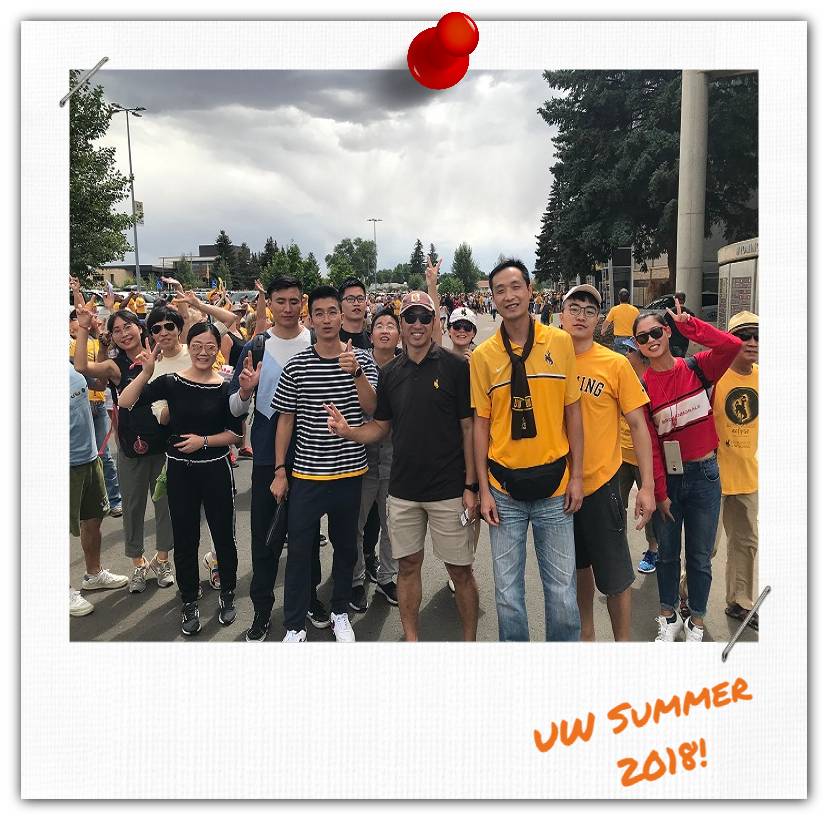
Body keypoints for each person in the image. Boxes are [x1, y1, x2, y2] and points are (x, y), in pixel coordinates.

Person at [327, 290, 480, 641]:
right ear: (400, 324)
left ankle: (470, 643)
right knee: (408, 567)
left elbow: (468, 428)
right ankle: (412, 639)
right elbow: (382, 426)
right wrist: (349, 431)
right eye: (409, 317)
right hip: (404, 490)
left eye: (424, 317)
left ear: (434, 322)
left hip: (448, 489)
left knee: (460, 571)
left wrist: (471, 486)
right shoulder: (391, 373)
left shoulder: (456, 367)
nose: (416, 324)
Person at [471, 259, 583, 642]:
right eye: (499, 290)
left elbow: (573, 413)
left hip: (556, 488)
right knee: (507, 596)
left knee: (563, 595)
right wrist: (483, 490)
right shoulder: (483, 357)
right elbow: (481, 425)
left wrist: (578, 477)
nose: (508, 295)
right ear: (492, 298)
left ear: (530, 289)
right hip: (503, 492)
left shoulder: (561, 342)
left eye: (515, 286)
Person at [117, 322, 249, 636]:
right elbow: (125, 401)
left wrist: (202, 441)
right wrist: (146, 372)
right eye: (198, 345)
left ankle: (227, 592)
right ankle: (189, 598)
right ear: (189, 346)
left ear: (218, 349)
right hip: (179, 471)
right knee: (185, 540)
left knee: (223, 537)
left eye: (210, 346)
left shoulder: (224, 386)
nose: (204, 352)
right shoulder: (171, 382)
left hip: (215, 468)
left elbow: (236, 434)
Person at [271, 285, 379, 643]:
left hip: (350, 473)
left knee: (346, 547)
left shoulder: (361, 360)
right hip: (307, 475)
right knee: (300, 551)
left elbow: (373, 410)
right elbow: (285, 419)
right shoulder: (297, 365)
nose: (328, 319)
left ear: (343, 314)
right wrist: (279, 471)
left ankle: (339, 612)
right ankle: (294, 624)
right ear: (310, 318)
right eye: (320, 313)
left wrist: (357, 374)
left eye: (333, 311)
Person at [633, 302, 742, 642]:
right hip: (671, 479)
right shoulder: (644, 388)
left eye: (656, 332)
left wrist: (689, 324)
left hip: (705, 475)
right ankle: (668, 616)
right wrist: (660, 492)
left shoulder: (696, 368)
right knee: (667, 554)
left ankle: (695, 620)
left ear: (666, 332)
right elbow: (651, 446)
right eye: (642, 337)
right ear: (637, 344)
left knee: (699, 557)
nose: (651, 340)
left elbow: (732, 346)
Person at [559, 284, 657, 641]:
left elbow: (638, 426)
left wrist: (646, 486)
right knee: (578, 566)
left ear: (599, 320)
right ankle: (587, 634)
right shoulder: (548, 360)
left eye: (589, 310)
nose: (581, 315)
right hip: (560, 488)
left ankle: (622, 644)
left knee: (615, 576)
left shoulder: (615, 363)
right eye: (575, 307)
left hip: (602, 485)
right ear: (561, 314)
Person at [227, 276, 314, 642]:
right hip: (266, 458)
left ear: (302, 302)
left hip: (311, 456)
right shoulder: (256, 347)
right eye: (281, 302)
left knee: (306, 536)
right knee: (265, 539)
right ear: (271, 305)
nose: (289, 309)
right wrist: (246, 391)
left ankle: (309, 598)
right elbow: (233, 407)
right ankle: (262, 608)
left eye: (295, 301)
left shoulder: (317, 342)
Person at [73, 306, 175, 593]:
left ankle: (164, 560)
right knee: (132, 508)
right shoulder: (115, 366)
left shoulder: (163, 356)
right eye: (116, 330)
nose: (123, 333)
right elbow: (81, 367)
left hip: (164, 447)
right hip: (132, 449)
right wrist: (83, 328)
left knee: (165, 506)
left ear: (139, 327)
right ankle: (139, 565)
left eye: (127, 326)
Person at [349, 307, 401, 610]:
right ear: (371, 332)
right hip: (360, 455)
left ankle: (386, 578)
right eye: (379, 325)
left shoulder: (408, 364)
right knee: (354, 523)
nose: (384, 330)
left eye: (390, 326)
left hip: (395, 458)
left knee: (392, 524)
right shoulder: (358, 361)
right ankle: (355, 580)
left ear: (399, 333)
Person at [70, 365, 129, 616]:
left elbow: (101, 384)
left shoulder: (72, 366)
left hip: (89, 456)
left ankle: (93, 575)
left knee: (93, 520)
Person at [713, 311, 759, 630]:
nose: (752, 342)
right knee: (706, 547)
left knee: (746, 543)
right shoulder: (713, 377)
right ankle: (688, 597)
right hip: (711, 477)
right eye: (744, 335)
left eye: (757, 336)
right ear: (731, 340)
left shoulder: (765, 377)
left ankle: (740, 601)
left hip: (747, 476)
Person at [69, 291, 123, 518]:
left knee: (104, 456)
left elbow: (100, 379)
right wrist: (77, 295)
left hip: (98, 404)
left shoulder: (95, 341)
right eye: (73, 319)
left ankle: (114, 499)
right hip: (76, 408)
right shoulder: (70, 345)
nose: (77, 322)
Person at [616, 338, 660, 573]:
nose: (626, 354)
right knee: (616, 506)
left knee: (649, 508)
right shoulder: (623, 377)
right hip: (620, 455)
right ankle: (617, 549)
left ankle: (653, 550)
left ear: (641, 355)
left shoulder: (652, 382)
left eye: (630, 351)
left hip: (645, 459)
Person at [601, 288, 640, 353]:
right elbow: (639, 324)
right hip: (632, 340)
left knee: (620, 360)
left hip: (619, 340)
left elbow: (606, 322)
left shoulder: (614, 310)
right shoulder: (635, 310)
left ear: (619, 297)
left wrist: (603, 331)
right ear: (629, 298)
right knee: (632, 361)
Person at [664, 292, 695, 358]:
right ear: (684, 300)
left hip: (673, 340)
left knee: (673, 361)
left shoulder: (670, 312)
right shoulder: (689, 312)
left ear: (675, 299)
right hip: (684, 341)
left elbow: (664, 325)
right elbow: (694, 327)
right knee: (681, 360)